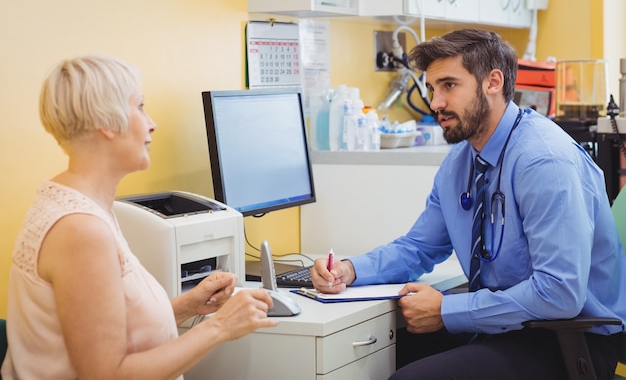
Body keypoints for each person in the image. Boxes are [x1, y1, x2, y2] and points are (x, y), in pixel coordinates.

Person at [311, 29, 626, 380]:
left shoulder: (545, 162)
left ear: (493, 82)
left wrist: (447, 309)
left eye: (449, 85)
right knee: (374, 358)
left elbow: (559, 293)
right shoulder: (461, 161)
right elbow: (419, 247)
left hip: (567, 340)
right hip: (505, 324)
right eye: (432, 88)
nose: (435, 103)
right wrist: (351, 270)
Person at [1, 55, 278, 380]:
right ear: (107, 122)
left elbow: (104, 330)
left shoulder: (76, 202)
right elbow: (106, 374)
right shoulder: (80, 230)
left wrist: (188, 306)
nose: (152, 123)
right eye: (141, 107)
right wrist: (220, 327)